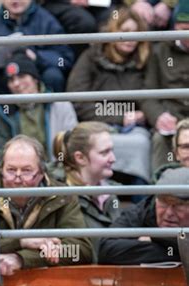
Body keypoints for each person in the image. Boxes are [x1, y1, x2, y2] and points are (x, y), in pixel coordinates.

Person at [0, 135, 93, 274]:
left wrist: (21, 259)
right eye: (11, 170)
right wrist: (21, 241)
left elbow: (82, 250)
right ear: (1, 170)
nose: (18, 178)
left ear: (41, 173)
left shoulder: (63, 196)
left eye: (26, 170)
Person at [67, 8, 152, 188]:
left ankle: (140, 205)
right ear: (114, 31)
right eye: (125, 32)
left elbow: (149, 95)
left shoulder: (143, 61)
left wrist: (143, 114)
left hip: (132, 128)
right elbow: (78, 99)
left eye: (136, 33)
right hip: (95, 123)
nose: (131, 39)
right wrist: (120, 117)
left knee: (141, 144)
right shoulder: (91, 57)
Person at [51, 122, 120, 261]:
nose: (113, 159)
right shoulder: (58, 196)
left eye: (112, 150)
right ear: (80, 158)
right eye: (104, 152)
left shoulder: (110, 193)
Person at [0, 0, 74, 93]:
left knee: (53, 75)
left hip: (38, 74)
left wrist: (36, 57)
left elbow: (64, 58)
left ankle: (48, 109)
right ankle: (2, 109)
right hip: (4, 76)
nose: (15, 1)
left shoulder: (46, 20)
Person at [0, 51, 78, 160]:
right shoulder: (5, 113)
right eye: (11, 80)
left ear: (35, 79)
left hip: (58, 169)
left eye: (22, 76)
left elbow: (72, 144)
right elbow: (1, 152)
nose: (16, 84)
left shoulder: (60, 105)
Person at [141, 2, 189, 171]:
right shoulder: (160, 51)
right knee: (160, 139)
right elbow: (148, 92)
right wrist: (159, 116)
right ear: (175, 27)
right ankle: (162, 190)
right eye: (185, 29)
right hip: (172, 117)